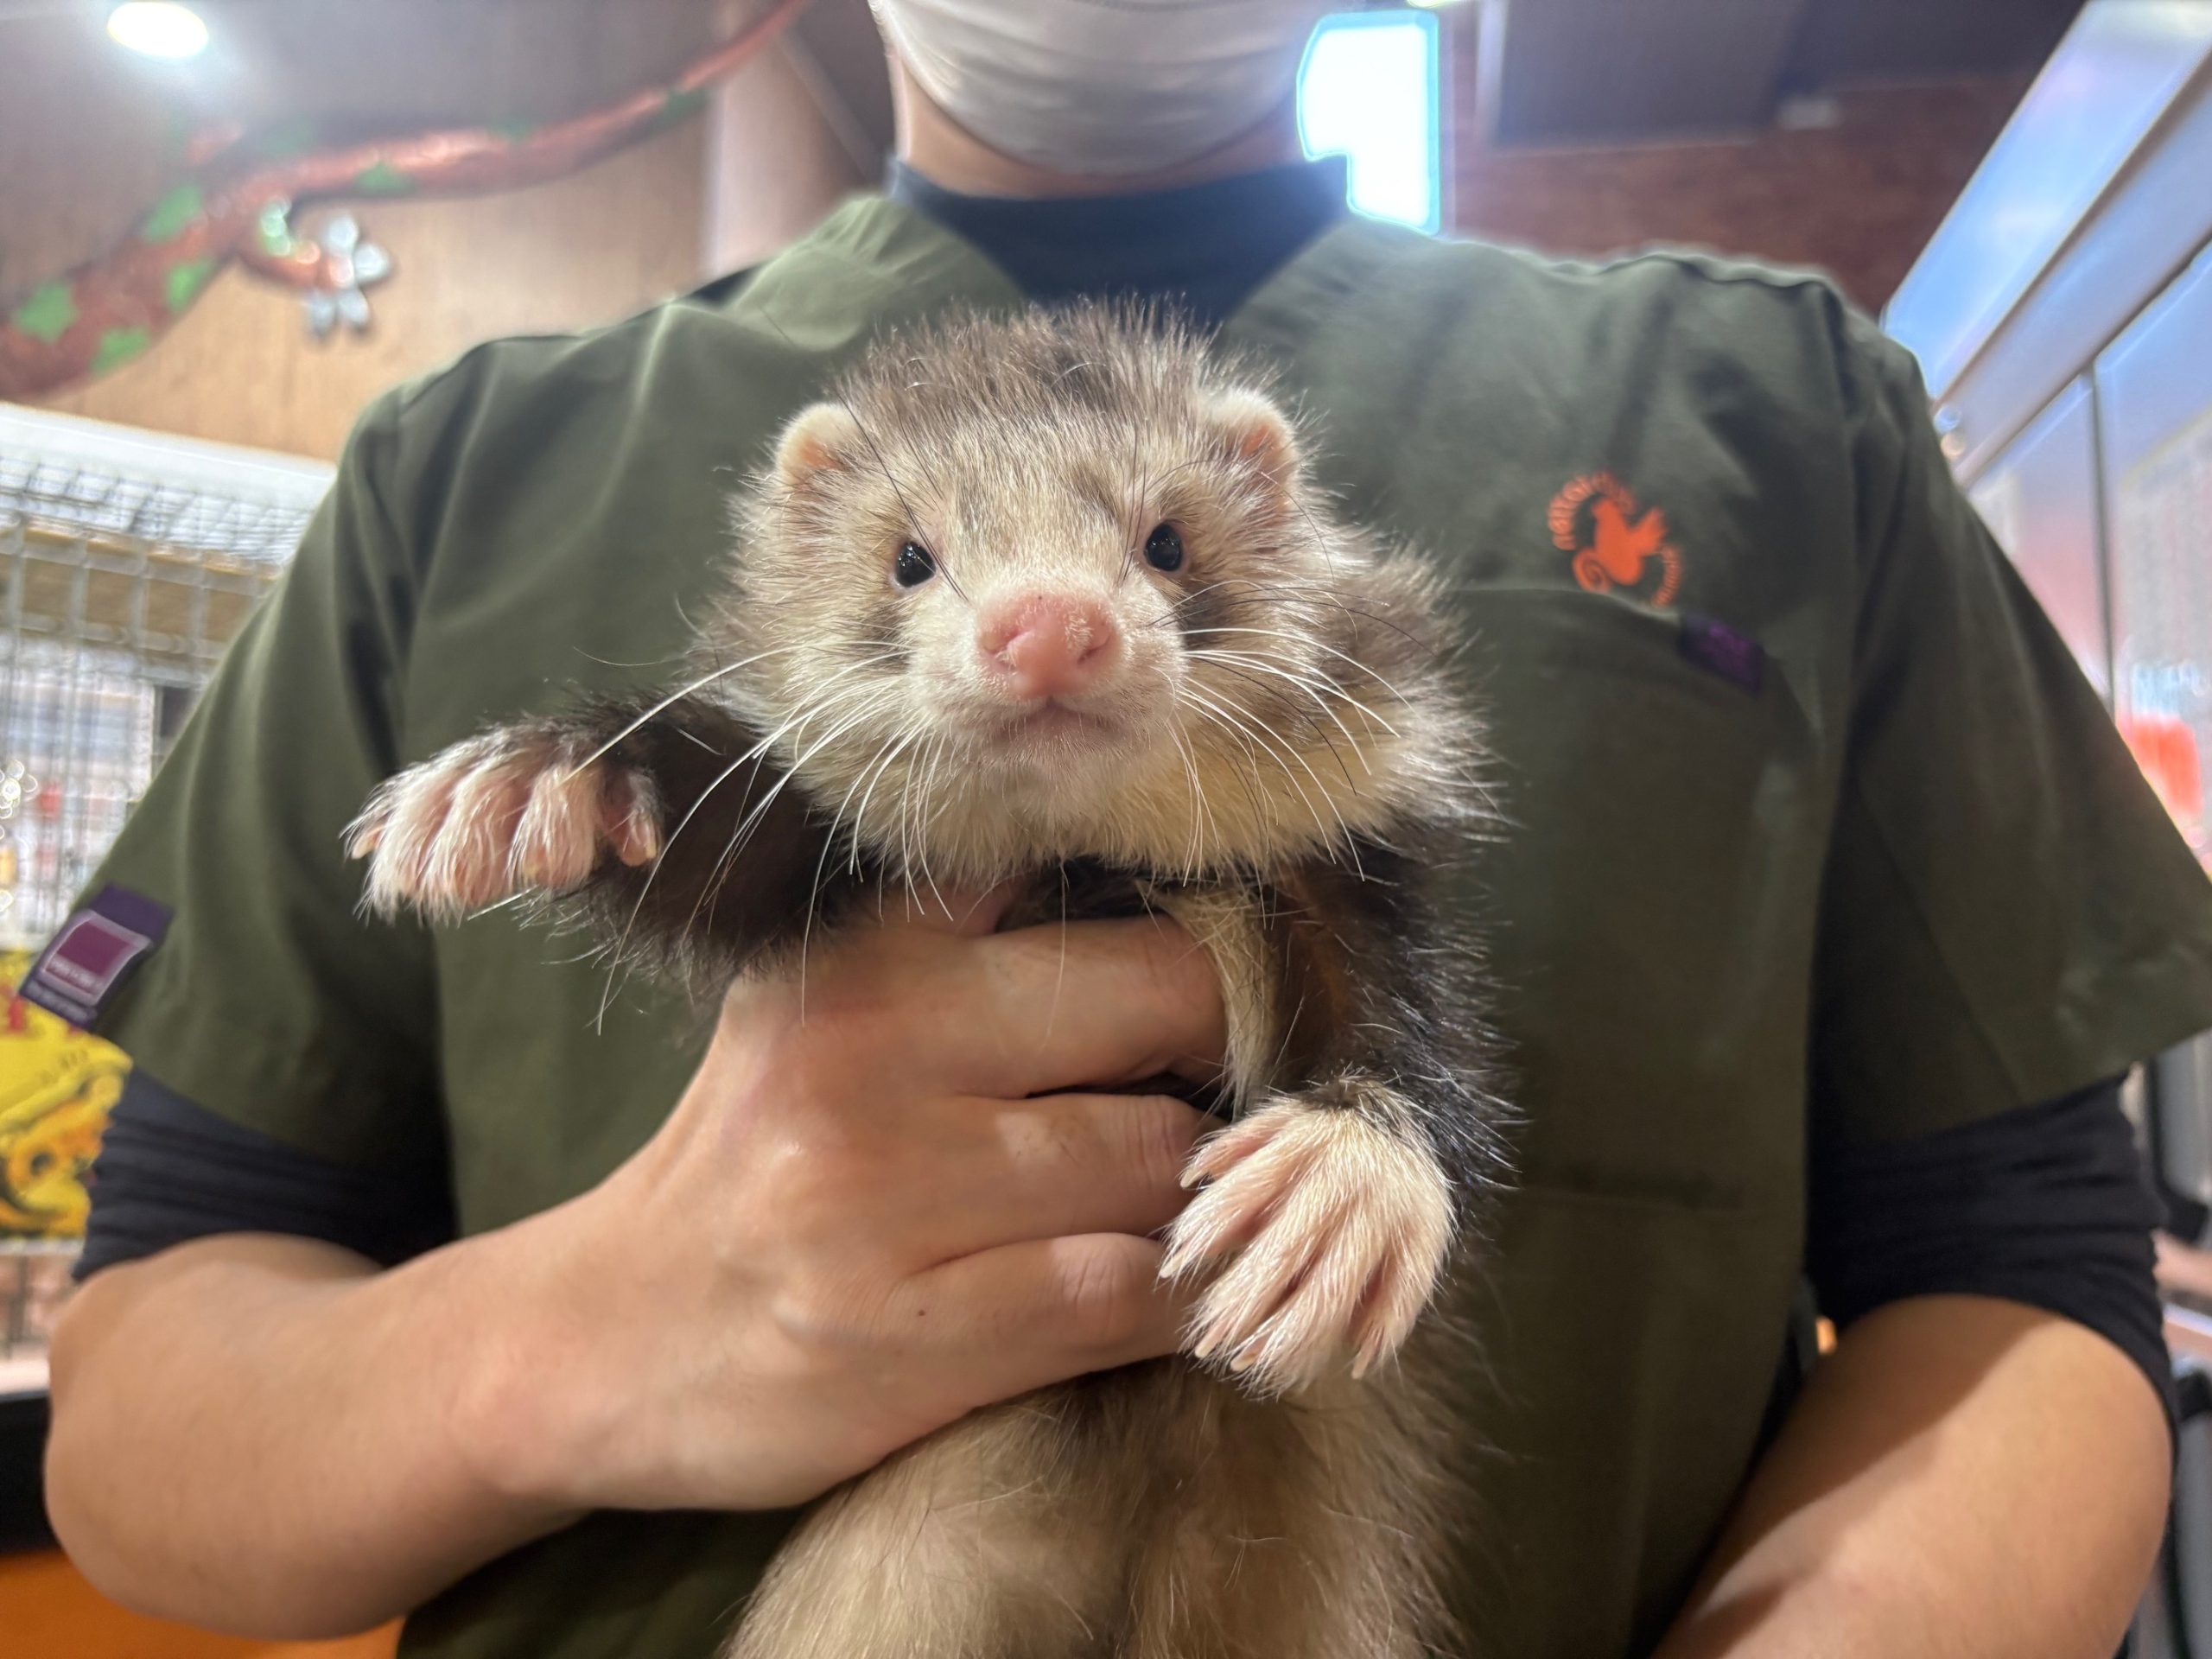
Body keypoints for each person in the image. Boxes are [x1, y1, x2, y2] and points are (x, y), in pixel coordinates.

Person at [39, 3, 2212, 1655]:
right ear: (813, 542)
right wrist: (577, 1335)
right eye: (922, 570)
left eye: (1157, 557)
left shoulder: (1773, 403)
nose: (1050, 625)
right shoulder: (459, 469)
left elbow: (2025, 1280)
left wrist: (1373, 1136)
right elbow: (142, 1418)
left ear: (1263, 519)